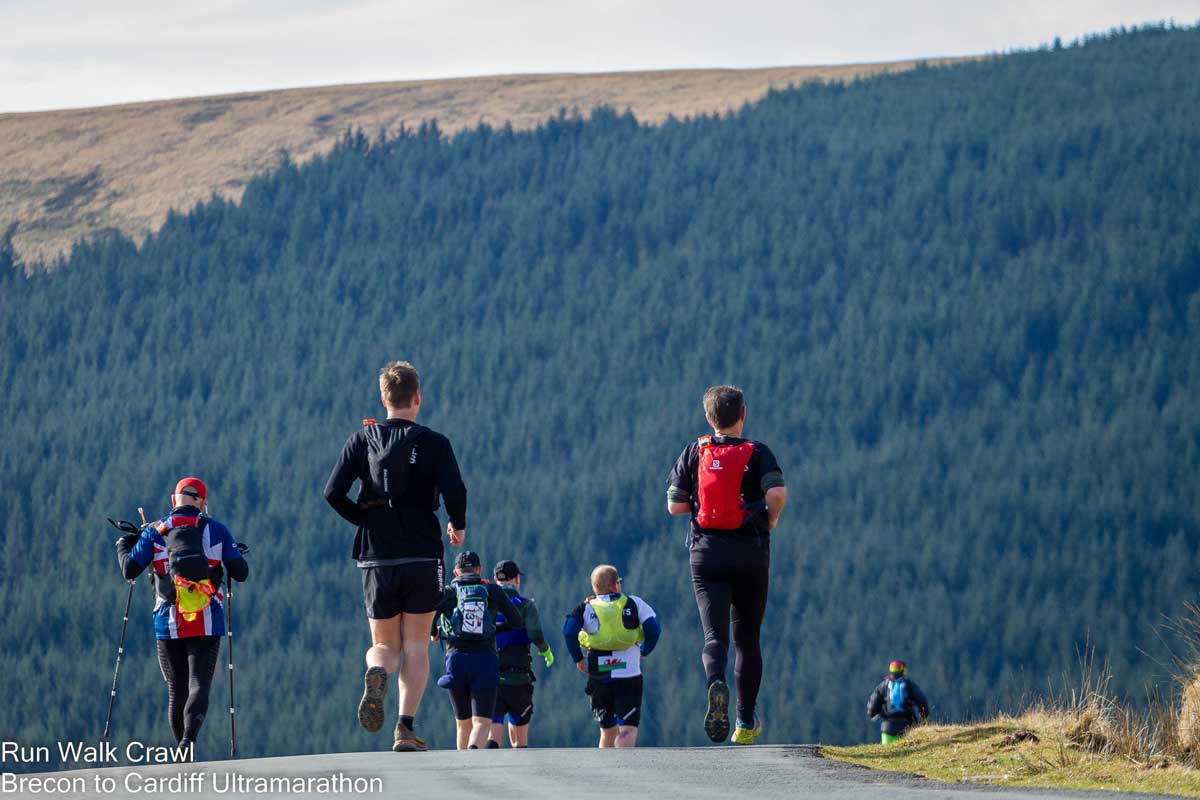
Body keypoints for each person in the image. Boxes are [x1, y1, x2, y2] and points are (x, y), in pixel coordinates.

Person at [324, 360, 468, 753]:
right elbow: (456, 491)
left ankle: (377, 670)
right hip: (422, 553)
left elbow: (332, 492)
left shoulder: (362, 440)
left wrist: (364, 519)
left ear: (383, 398)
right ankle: (405, 728)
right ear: (417, 397)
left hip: (377, 554)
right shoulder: (435, 443)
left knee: (385, 645)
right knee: (417, 645)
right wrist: (457, 525)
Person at [666, 385, 787, 745]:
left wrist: (702, 506)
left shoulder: (695, 451)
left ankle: (715, 681)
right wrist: (771, 518)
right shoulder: (758, 452)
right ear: (743, 414)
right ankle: (745, 722)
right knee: (747, 640)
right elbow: (777, 492)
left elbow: (674, 504)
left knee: (714, 637)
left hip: (706, 555)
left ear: (709, 418)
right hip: (751, 553)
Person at [114, 477, 249, 761]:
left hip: (168, 622)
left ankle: (184, 754)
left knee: (176, 689)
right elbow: (241, 572)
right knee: (198, 684)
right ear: (202, 502)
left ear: (173, 501)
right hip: (206, 619)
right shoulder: (216, 530)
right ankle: (189, 739)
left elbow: (129, 570)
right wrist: (231, 553)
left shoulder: (155, 531)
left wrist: (123, 544)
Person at [431, 550, 524, 750]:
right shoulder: (492, 590)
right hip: (485, 659)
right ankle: (474, 750)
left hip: (455, 659)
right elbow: (517, 621)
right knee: (481, 723)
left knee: (462, 724)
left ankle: (464, 763)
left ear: (456, 572)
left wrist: (435, 632)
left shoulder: (447, 592)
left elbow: (429, 623)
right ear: (479, 570)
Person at [563, 565, 660, 748]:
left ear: (595, 588)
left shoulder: (586, 607)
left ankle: (606, 765)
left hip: (599, 675)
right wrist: (644, 650)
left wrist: (578, 659)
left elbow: (568, 631)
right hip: (629, 675)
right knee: (627, 729)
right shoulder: (635, 603)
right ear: (616, 585)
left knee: (607, 730)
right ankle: (623, 763)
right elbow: (654, 630)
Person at [490, 559, 554, 748]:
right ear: (517, 579)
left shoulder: (487, 603)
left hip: (492, 677)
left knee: (493, 733)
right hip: (518, 677)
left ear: (495, 579)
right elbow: (535, 633)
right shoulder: (526, 605)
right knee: (519, 735)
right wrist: (545, 650)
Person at [867, 660, 930, 744]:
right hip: (907, 727)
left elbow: (872, 708)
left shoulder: (883, 686)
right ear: (903, 671)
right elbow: (922, 702)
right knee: (907, 750)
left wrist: (880, 715)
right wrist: (924, 719)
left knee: (889, 751)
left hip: (888, 727)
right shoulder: (909, 685)